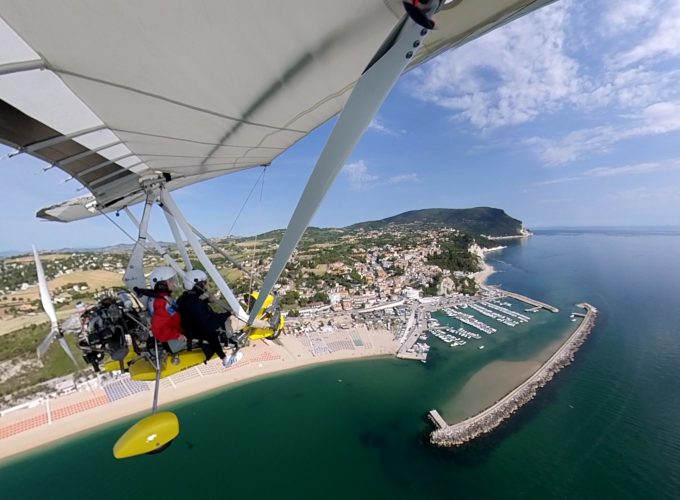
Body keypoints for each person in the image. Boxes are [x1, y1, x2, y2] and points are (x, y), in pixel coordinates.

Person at [177, 269, 241, 367]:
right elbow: (208, 324)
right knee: (211, 333)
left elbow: (193, 309)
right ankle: (225, 359)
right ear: (198, 286)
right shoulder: (195, 303)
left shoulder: (184, 298)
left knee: (210, 329)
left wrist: (206, 301)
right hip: (197, 331)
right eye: (203, 284)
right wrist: (227, 314)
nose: (205, 286)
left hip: (190, 326)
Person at [147, 267, 186, 357]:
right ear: (161, 285)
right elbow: (159, 329)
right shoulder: (161, 303)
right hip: (172, 338)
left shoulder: (163, 297)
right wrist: (177, 335)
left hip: (175, 330)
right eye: (171, 280)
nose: (174, 283)